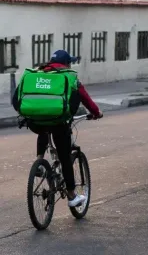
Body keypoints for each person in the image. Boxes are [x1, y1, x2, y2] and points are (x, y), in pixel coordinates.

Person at [12, 50, 103, 207]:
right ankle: (72, 195)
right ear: (66, 63)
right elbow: (85, 98)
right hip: (59, 122)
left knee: (43, 124)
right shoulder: (68, 76)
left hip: (35, 122)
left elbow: (16, 98)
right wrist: (96, 113)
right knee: (65, 156)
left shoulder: (36, 73)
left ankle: (40, 161)